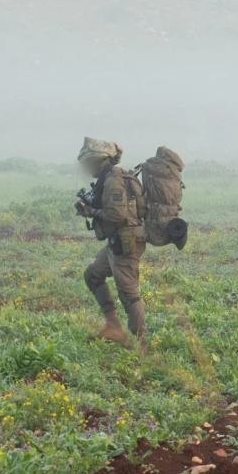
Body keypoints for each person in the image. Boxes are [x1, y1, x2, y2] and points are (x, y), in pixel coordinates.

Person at [75, 137, 149, 351]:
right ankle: (113, 327)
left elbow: (117, 214)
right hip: (117, 241)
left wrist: (92, 212)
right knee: (93, 275)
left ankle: (139, 344)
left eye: (88, 162)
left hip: (126, 242)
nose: (86, 167)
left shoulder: (113, 180)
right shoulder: (107, 178)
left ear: (99, 161)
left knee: (129, 293)